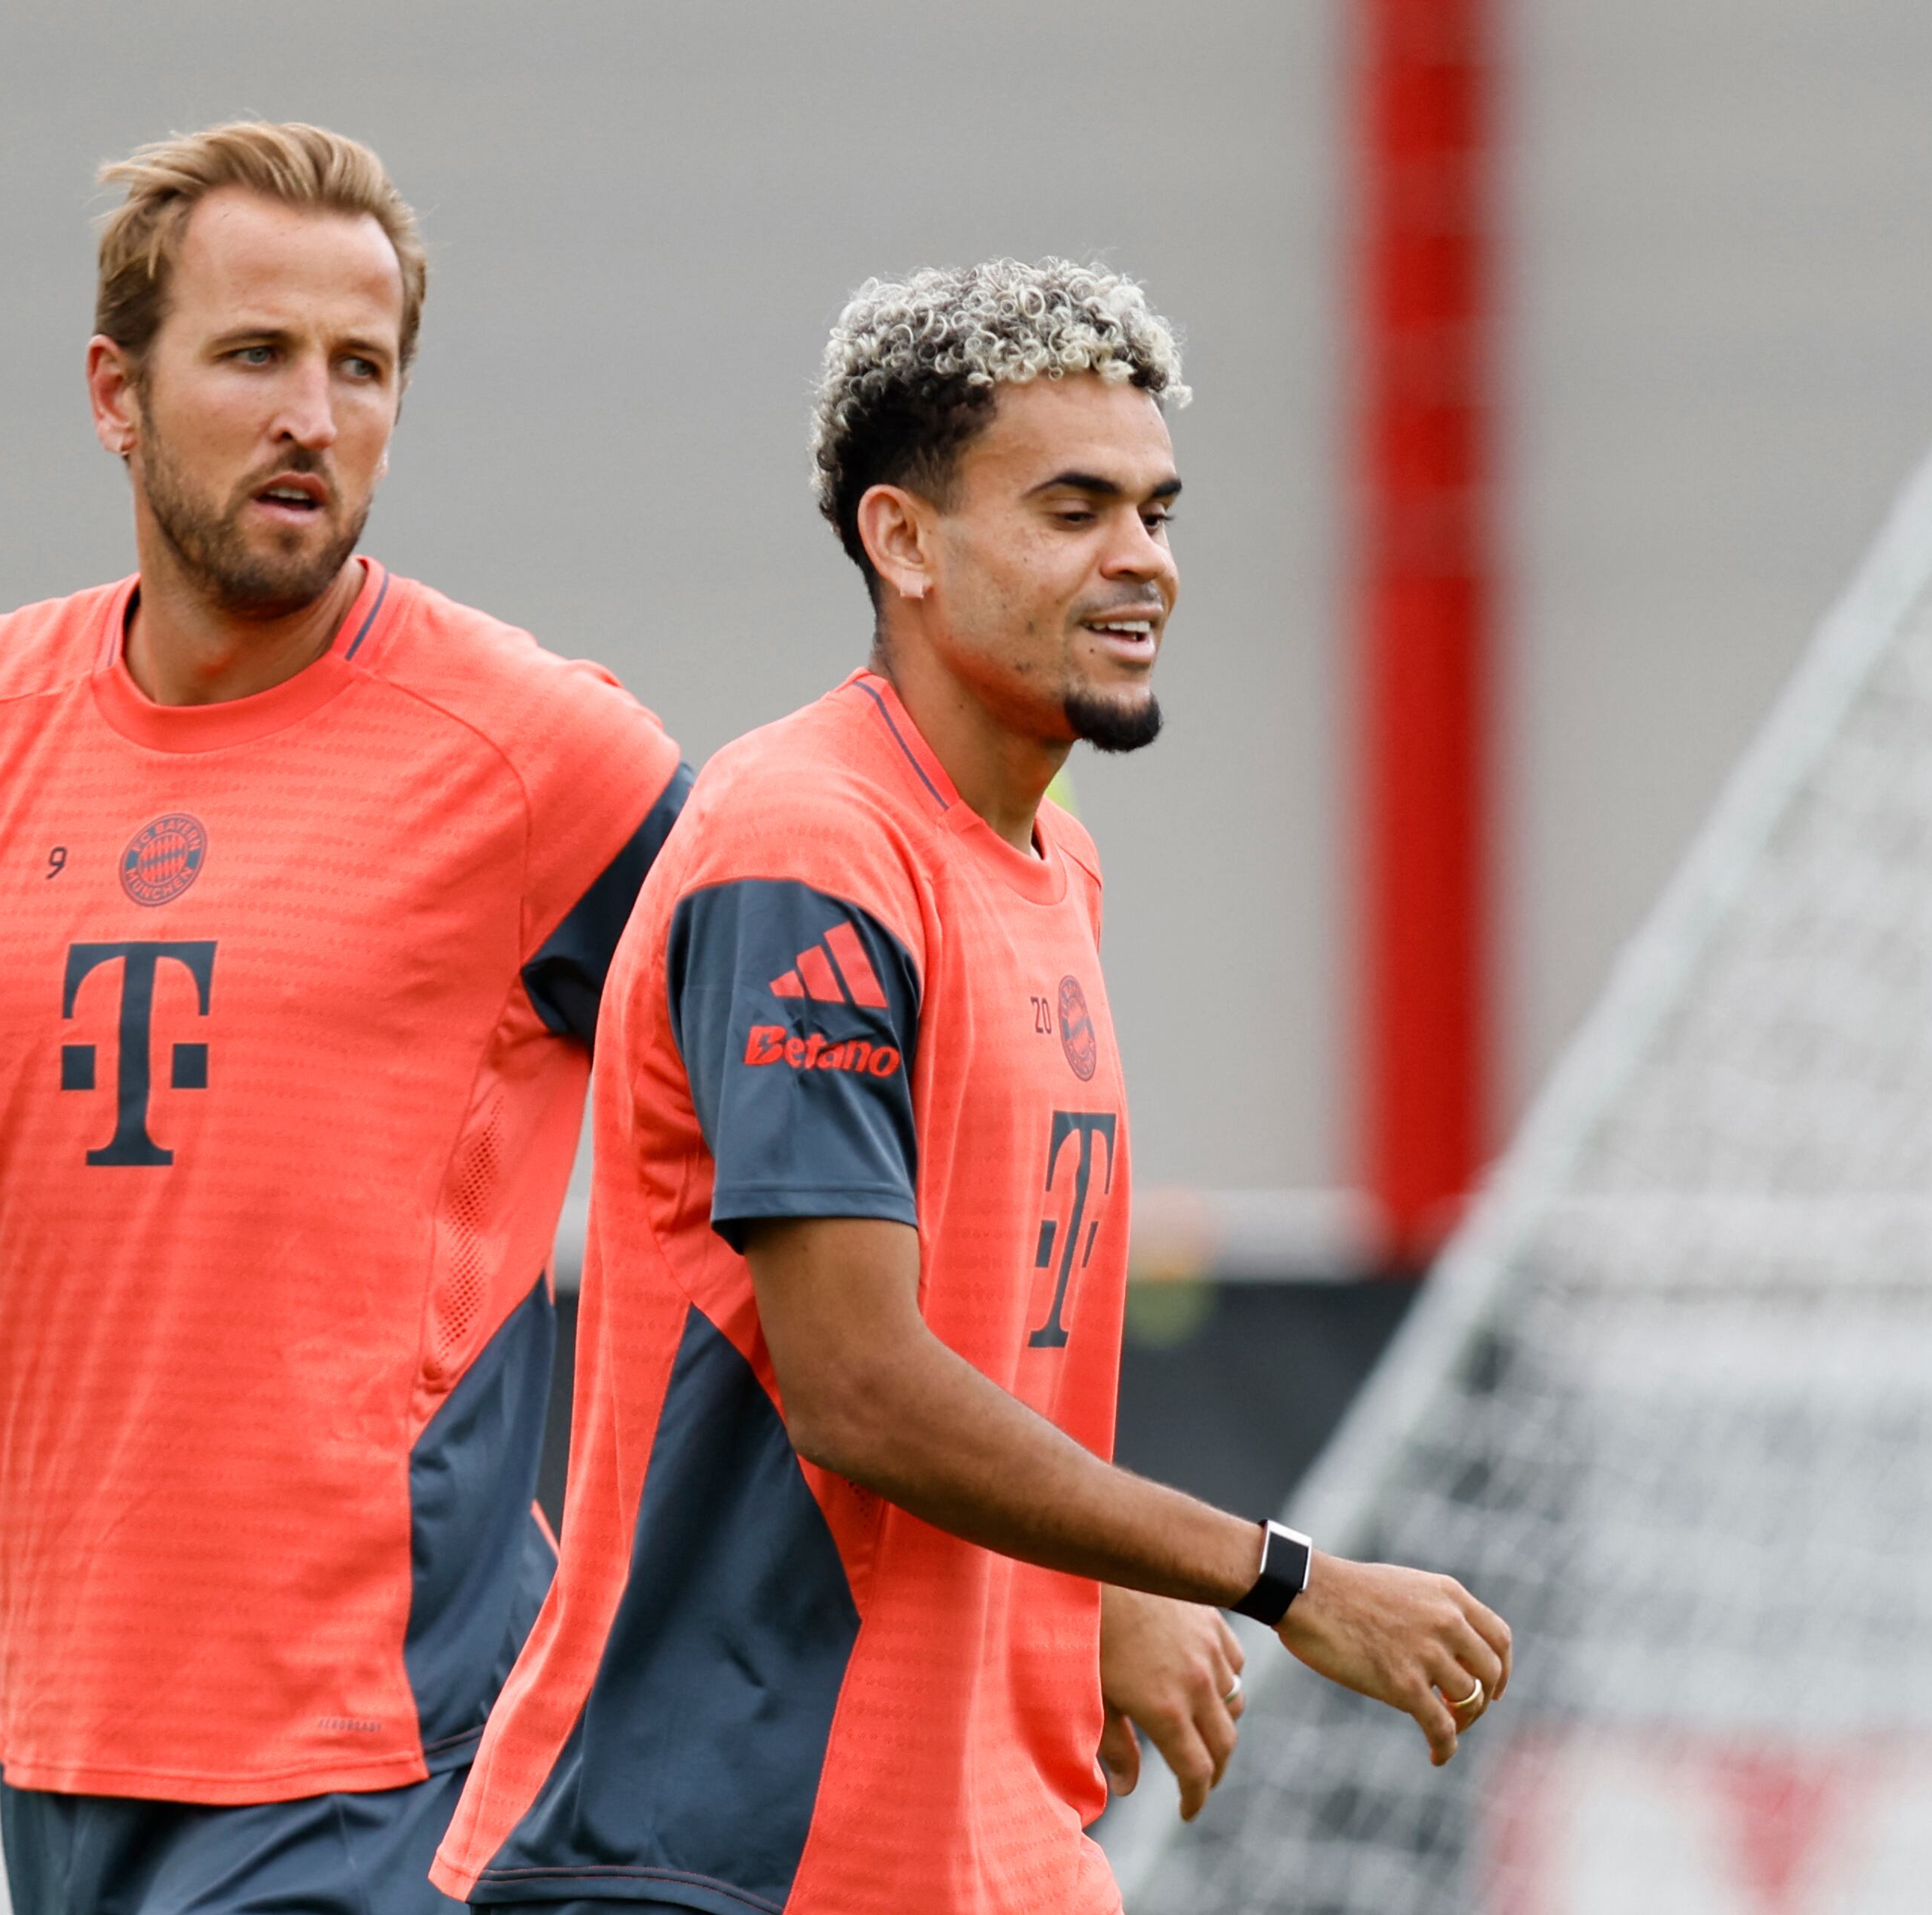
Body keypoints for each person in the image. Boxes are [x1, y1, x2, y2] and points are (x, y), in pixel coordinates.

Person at [0, 122, 687, 1915]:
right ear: (114, 395)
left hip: (383, 1767)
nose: (315, 413)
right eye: (256, 355)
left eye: (362, 368)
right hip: (58, 1746)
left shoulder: (542, 756)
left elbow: (814, 1109)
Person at [430, 260, 1511, 1915]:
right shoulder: (804, 845)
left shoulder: (1047, 863)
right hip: (723, 1847)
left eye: (1154, 508)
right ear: (904, 542)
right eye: (1071, 507)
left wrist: (1093, 1594)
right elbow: (857, 1387)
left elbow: (987, 1350)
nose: (1139, 557)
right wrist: (1278, 1581)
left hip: (983, 1844)